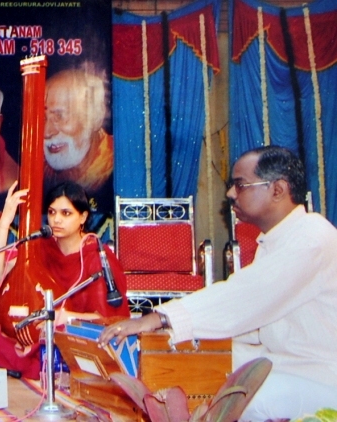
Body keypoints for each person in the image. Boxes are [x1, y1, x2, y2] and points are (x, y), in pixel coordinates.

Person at [100, 146, 337, 420]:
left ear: (278, 190)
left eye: (240, 185)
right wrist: (176, 338)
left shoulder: (311, 238)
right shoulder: (277, 239)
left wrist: (160, 318)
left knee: (241, 399)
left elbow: (248, 297)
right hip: (288, 362)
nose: (230, 194)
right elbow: (255, 320)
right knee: (191, 363)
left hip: (322, 373)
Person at [0, 180, 130, 379]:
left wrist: (68, 318)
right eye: (52, 212)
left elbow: (113, 321)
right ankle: (37, 365)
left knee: (61, 338)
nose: (56, 220)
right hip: (39, 337)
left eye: (66, 213)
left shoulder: (97, 256)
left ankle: (34, 365)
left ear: (83, 217)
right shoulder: (43, 247)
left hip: (74, 336)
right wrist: (5, 221)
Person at [43, 67, 113, 209]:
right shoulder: (40, 170)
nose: (46, 132)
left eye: (59, 116)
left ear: (96, 116)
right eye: (43, 119)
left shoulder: (117, 165)